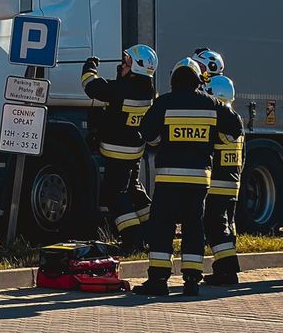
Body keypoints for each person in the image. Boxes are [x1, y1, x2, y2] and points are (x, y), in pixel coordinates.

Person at [134, 57, 244, 297]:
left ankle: (159, 280)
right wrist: (215, 138)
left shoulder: (163, 103)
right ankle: (192, 281)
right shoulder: (212, 104)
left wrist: (160, 140)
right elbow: (236, 128)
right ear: (197, 80)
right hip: (198, 182)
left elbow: (147, 133)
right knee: (194, 228)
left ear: (174, 79)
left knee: (162, 227)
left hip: (168, 179)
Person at [81, 45, 157, 255]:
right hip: (134, 150)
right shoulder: (147, 89)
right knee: (134, 190)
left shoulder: (122, 89)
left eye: (126, 62)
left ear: (137, 69)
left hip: (117, 151)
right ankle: (153, 232)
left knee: (115, 195)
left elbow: (92, 86)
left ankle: (133, 239)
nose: (121, 65)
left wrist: (90, 66)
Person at [202, 74, 244, 286]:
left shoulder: (219, 122)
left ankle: (228, 270)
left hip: (217, 185)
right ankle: (222, 269)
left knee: (215, 226)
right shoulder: (236, 120)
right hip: (232, 183)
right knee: (228, 225)